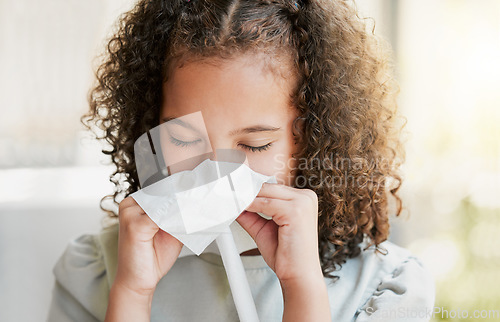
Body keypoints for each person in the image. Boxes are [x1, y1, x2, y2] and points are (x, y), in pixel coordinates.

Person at [47, 0, 435, 321]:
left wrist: (302, 290)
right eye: (182, 138)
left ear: (315, 142)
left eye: (255, 145)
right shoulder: (98, 271)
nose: (213, 173)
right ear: (151, 126)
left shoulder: (385, 288)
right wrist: (132, 294)